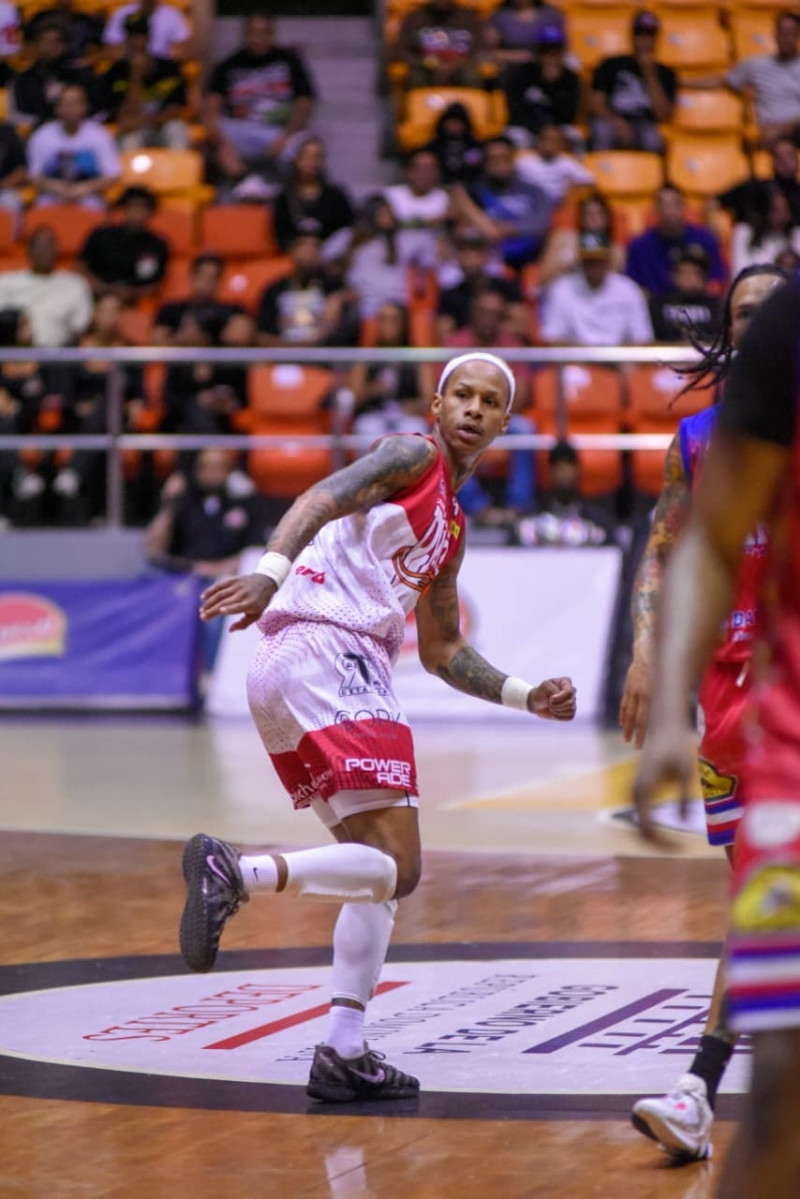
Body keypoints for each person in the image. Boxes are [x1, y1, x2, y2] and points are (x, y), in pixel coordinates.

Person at [180, 351, 577, 1105]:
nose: (473, 408)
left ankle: (343, 1047)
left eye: (490, 401)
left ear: (503, 423)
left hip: (299, 667)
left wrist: (529, 696)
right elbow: (323, 495)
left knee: (376, 875)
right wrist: (269, 570)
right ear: (436, 404)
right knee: (401, 866)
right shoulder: (411, 455)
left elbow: (443, 649)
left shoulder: (451, 527)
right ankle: (237, 872)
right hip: (328, 647)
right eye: (461, 393)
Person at [631, 274, 800, 1198]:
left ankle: (697, 1084)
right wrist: (652, 670)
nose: (757, 325)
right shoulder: (703, 440)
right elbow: (673, 548)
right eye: (743, 314)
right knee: (759, 900)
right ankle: (706, 1087)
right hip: (744, 695)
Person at [445, 291, 535, 521]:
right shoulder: (457, 344)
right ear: (473, 315)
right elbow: (446, 392)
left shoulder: (512, 346)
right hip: (464, 416)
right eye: (484, 313)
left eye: (495, 314)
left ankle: (518, 507)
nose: (489, 319)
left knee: (525, 430)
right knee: (452, 434)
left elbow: (521, 394)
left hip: (502, 417)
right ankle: (478, 509)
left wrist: (490, 416)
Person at [204, 15, 315, 199]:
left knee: (309, 147)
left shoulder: (289, 61)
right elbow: (211, 107)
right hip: (244, 132)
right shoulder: (227, 66)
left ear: (272, 35)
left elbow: (304, 102)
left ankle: (296, 198)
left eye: (264, 33)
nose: (258, 38)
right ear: (244, 35)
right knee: (213, 130)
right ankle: (248, 183)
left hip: (282, 131)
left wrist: (286, 135)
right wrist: (219, 137)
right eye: (253, 33)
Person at [145, 448, 265, 583]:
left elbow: (255, 550)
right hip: (182, 576)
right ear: (197, 470)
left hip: (227, 577)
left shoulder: (244, 504)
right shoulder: (182, 501)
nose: (212, 472)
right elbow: (153, 550)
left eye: (219, 466)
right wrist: (168, 505)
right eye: (206, 466)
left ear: (230, 471)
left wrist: (216, 569)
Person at [691, 12, 800, 149]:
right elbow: (723, 81)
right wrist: (680, 82)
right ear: (775, 34)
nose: (785, 38)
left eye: (791, 33)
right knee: (780, 147)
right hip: (770, 132)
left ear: (797, 36)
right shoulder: (756, 65)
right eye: (781, 32)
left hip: (796, 127)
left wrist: (788, 127)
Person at [453, 135, 553, 271]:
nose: (499, 163)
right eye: (493, 158)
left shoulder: (534, 192)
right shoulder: (475, 194)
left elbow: (543, 223)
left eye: (504, 157)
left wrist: (510, 228)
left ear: (513, 159)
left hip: (532, 260)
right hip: (487, 261)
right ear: (485, 162)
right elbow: (464, 229)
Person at [541, 230, 653, 346]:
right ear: (580, 261)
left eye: (599, 260)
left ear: (608, 260)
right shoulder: (562, 289)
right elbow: (552, 339)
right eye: (589, 261)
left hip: (620, 359)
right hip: (576, 360)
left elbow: (642, 338)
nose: (594, 266)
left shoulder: (628, 289)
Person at [589, 10, 675, 152]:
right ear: (632, 37)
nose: (645, 41)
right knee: (601, 131)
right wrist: (617, 122)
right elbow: (596, 104)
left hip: (645, 124)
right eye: (640, 34)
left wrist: (649, 72)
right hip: (613, 119)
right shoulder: (611, 64)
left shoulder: (666, 73)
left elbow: (663, 114)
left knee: (652, 139)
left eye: (650, 35)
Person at [101, 13, 188, 150]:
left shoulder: (169, 67)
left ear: (149, 37)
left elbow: (176, 110)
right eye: (132, 36)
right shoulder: (115, 72)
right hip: (134, 132)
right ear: (126, 39)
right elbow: (122, 116)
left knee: (177, 129)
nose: (137, 42)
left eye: (141, 35)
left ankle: (180, 172)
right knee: (129, 141)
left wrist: (147, 121)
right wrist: (136, 76)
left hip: (161, 127)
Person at [27, 83, 120, 209]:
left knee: (95, 208)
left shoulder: (100, 134)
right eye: (66, 104)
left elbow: (112, 174)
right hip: (52, 193)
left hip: (89, 194)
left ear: (85, 107)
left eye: (76, 103)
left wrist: (83, 189)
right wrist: (57, 188)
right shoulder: (42, 135)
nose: (71, 109)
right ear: (57, 108)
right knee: (41, 209)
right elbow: (33, 175)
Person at [626, 185, 726, 297]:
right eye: (664, 206)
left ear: (684, 207)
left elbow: (717, 280)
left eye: (675, 205)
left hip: (700, 304)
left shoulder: (706, 239)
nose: (669, 211)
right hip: (655, 308)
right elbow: (632, 287)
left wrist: (700, 287)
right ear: (655, 210)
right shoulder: (639, 245)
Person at [0, 224, 92, 345]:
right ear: (29, 250)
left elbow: (80, 326)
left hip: (58, 356)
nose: (46, 251)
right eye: (41, 246)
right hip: (12, 354)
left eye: (51, 245)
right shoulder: (6, 282)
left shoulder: (76, 284)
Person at [257, 232, 353, 347]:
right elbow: (262, 334)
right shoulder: (275, 289)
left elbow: (356, 295)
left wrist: (339, 298)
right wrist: (292, 348)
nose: (310, 252)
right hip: (283, 354)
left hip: (322, 356)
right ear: (292, 251)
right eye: (304, 247)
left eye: (315, 247)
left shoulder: (332, 285)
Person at [348, 301, 428, 437]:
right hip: (373, 415)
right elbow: (353, 399)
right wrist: (373, 389)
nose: (388, 325)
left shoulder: (417, 357)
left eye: (393, 320)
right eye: (383, 319)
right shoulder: (366, 358)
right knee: (367, 429)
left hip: (406, 416)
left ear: (404, 324)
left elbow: (428, 399)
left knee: (414, 428)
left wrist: (410, 407)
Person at [516, 441, 618, 546]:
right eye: (559, 468)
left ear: (578, 471)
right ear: (550, 472)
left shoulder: (598, 520)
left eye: (568, 468)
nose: (564, 474)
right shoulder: (534, 516)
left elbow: (613, 551)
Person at [78, 185, 169, 301]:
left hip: (133, 300)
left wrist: (132, 293)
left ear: (151, 212)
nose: (138, 211)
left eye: (143, 207)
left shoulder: (158, 244)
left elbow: (156, 284)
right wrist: (101, 288)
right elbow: (80, 267)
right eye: (133, 206)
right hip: (94, 294)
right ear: (124, 208)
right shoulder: (101, 234)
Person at [436, 226, 526, 343]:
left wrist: (491, 323)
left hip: (503, 352)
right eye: (464, 252)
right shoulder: (450, 295)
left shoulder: (506, 287)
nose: (470, 259)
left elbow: (522, 327)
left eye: (475, 252)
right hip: (467, 352)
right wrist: (476, 329)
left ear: (485, 256)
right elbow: (444, 336)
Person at [273, 136, 354, 259]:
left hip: (330, 255)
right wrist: (301, 246)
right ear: (296, 160)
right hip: (295, 256)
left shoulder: (337, 196)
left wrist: (322, 247)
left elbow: (347, 230)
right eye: (307, 157)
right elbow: (280, 234)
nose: (312, 162)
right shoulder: (284, 198)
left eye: (317, 157)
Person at [503, 22, 581, 146]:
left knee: (576, 138)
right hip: (526, 128)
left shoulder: (570, 78)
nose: (550, 56)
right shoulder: (521, 75)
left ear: (562, 53)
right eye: (545, 51)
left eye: (555, 51)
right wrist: (540, 131)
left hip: (558, 128)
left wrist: (552, 84)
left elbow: (568, 115)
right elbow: (515, 112)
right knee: (514, 136)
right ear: (537, 53)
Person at [13, 18, 96, 126]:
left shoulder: (81, 75)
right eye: (45, 42)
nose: (50, 48)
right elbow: (21, 113)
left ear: (64, 45)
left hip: (77, 131)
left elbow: (93, 108)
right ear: (36, 45)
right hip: (37, 132)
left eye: (55, 42)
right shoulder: (24, 79)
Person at [537, 191, 625, 288]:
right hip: (563, 294)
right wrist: (574, 259)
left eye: (599, 214)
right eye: (588, 214)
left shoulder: (616, 251)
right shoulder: (562, 239)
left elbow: (616, 286)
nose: (594, 218)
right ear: (581, 218)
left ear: (607, 219)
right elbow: (543, 279)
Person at [151, 253, 243, 346]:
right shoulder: (171, 310)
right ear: (192, 276)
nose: (207, 282)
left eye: (214, 277)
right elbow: (156, 342)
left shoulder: (232, 310)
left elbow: (240, 337)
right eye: (202, 275)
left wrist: (210, 339)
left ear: (220, 281)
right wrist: (182, 340)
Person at [393, 0, 485, 89]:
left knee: (470, 75)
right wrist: (429, 64)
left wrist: (454, 66)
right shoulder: (414, 17)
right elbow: (401, 50)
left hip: (461, 66)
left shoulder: (469, 17)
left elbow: (480, 49)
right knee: (415, 76)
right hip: (424, 65)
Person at [384, 149, 450, 270]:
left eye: (431, 169)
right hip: (396, 261)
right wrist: (426, 222)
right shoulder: (392, 194)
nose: (426, 174)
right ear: (408, 171)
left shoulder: (444, 197)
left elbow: (448, 222)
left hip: (433, 265)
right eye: (421, 169)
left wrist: (404, 221)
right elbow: (386, 223)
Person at [345, 195, 408, 319]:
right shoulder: (355, 240)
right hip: (366, 305)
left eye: (390, 213)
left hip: (396, 303)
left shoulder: (401, 240)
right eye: (383, 213)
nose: (389, 217)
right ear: (371, 215)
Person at [716, 136, 800, 229]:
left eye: (790, 156)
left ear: (797, 160)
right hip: (756, 241)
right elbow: (715, 202)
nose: (785, 161)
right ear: (772, 162)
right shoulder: (754, 188)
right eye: (779, 157)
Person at [649, 248, 723, 344]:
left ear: (704, 278)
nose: (689, 278)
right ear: (673, 276)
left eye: (695, 273)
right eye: (684, 272)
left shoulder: (716, 306)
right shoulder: (658, 305)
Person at [515, 123, 594, 206]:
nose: (550, 144)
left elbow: (589, 182)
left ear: (560, 144)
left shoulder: (567, 162)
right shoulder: (524, 163)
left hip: (559, 204)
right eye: (547, 139)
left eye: (555, 140)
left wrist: (573, 191)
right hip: (532, 203)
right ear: (539, 141)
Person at [730, 184, 800, 277]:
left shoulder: (796, 234)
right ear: (763, 211)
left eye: (786, 209)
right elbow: (739, 275)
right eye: (777, 211)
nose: (783, 217)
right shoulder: (744, 232)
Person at [26, 0, 102, 69]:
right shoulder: (41, 18)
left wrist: (84, 62)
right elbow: (27, 45)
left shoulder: (85, 22)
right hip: (42, 68)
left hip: (76, 69)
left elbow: (105, 50)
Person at [103, 0, 190, 60]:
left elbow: (180, 51)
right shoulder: (122, 13)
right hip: (126, 68)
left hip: (163, 69)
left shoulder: (174, 15)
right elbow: (112, 50)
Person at [424, 102, 484, 186]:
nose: (454, 127)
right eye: (451, 122)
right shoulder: (433, 146)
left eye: (458, 123)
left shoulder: (475, 146)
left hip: (470, 186)